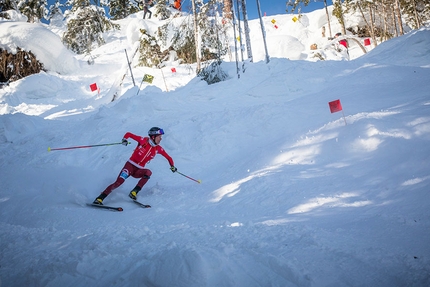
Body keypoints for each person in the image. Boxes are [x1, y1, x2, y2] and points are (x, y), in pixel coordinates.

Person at [93, 127, 177, 205]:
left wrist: (172, 166)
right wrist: (124, 139)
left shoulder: (158, 149)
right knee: (119, 182)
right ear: (153, 137)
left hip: (138, 171)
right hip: (129, 166)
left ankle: (134, 192)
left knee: (148, 172)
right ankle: (100, 198)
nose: (161, 139)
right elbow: (128, 134)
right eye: (159, 137)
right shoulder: (143, 141)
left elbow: (168, 157)